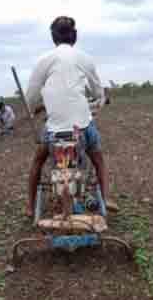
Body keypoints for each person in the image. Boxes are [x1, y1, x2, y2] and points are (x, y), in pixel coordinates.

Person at [24, 16, 117, 219]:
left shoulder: (44, 60)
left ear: (53, 37)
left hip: (54, 130)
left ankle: (30, 206)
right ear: (74, 36)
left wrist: (34, 109)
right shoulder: (84, 58)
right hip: (82, 126)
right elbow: (97, 91)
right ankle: (107, 197)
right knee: (98, 158)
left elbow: (30, 96)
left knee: (38, 161)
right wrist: (97, 100)